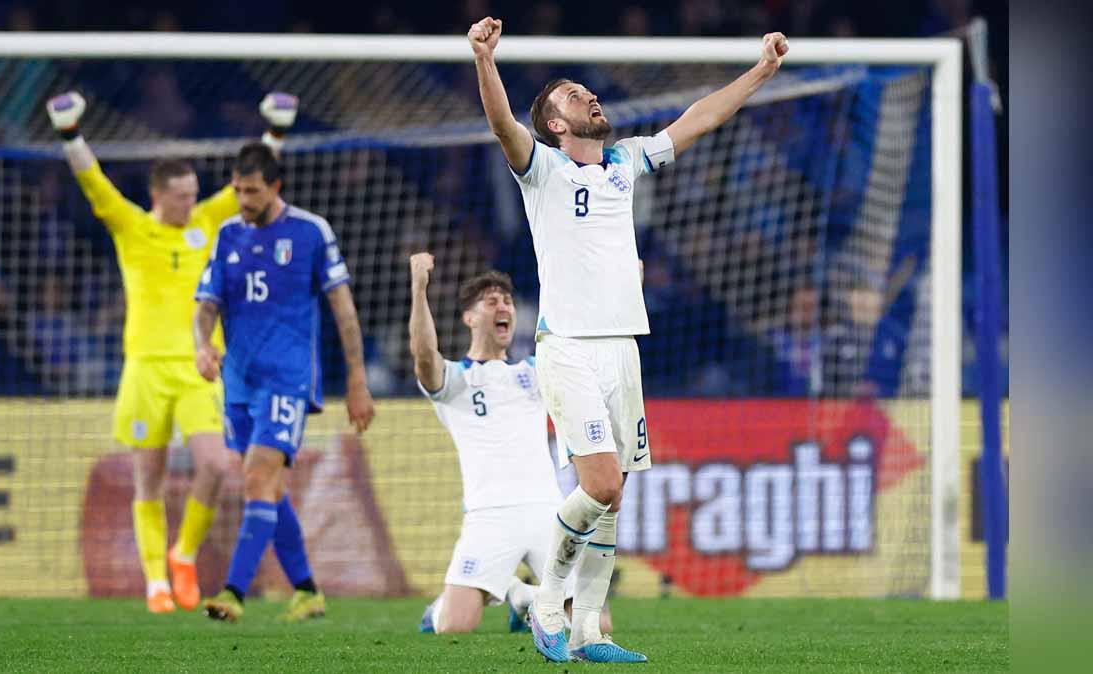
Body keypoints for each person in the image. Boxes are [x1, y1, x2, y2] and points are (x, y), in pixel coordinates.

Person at [466, 16, 787, 663]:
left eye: (588, 92)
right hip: (569, 347)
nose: (590, 97)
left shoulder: (625, 161)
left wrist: (761, 72)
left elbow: (699, 120)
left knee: (615, 501)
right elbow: (503, 125)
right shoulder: (543, 170)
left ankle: (590, 633)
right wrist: (484, 61)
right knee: (603, 484)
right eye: (573, 96)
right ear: (554, 124)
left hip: (623, 348)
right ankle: (547, 602)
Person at [45, 90, 300, 614]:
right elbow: (93, 183)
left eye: (194, 193)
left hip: (198, 368)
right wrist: (70, 135)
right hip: (143, 372)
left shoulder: (207, 223)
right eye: (184, 195)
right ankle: (156, 583)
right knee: (149, 478)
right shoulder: (133, 228)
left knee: (213, 465)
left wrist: (276, 129)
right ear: (161, 195)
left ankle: (183, 555)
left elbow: (253, 176)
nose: (193, 200)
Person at [193, 142, 376, 623]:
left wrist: (356, 378)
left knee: (257, 476)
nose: (242, 200)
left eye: (251, 191)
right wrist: (201, 344)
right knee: (267, 487)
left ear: (275, 187)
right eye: (236, 190)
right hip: (238, 380)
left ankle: (233, 593)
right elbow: (206, 305)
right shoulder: (227, 234)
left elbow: (342, 308)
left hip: (288, 378)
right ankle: (308, 590)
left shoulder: (311, 232)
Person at [408, 253, 611, 636]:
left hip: (548, 512)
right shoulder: (455, 382)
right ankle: (450, 607)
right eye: (491, 301)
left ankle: (522, 598)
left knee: (595, 624)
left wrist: (615, 291)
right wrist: (420, 288)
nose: (503, 306)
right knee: (454, 628)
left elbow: (583, 346)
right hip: (489, 515)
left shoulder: (533, 372)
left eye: (507, 300)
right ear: (469, 317)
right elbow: (423, 356)